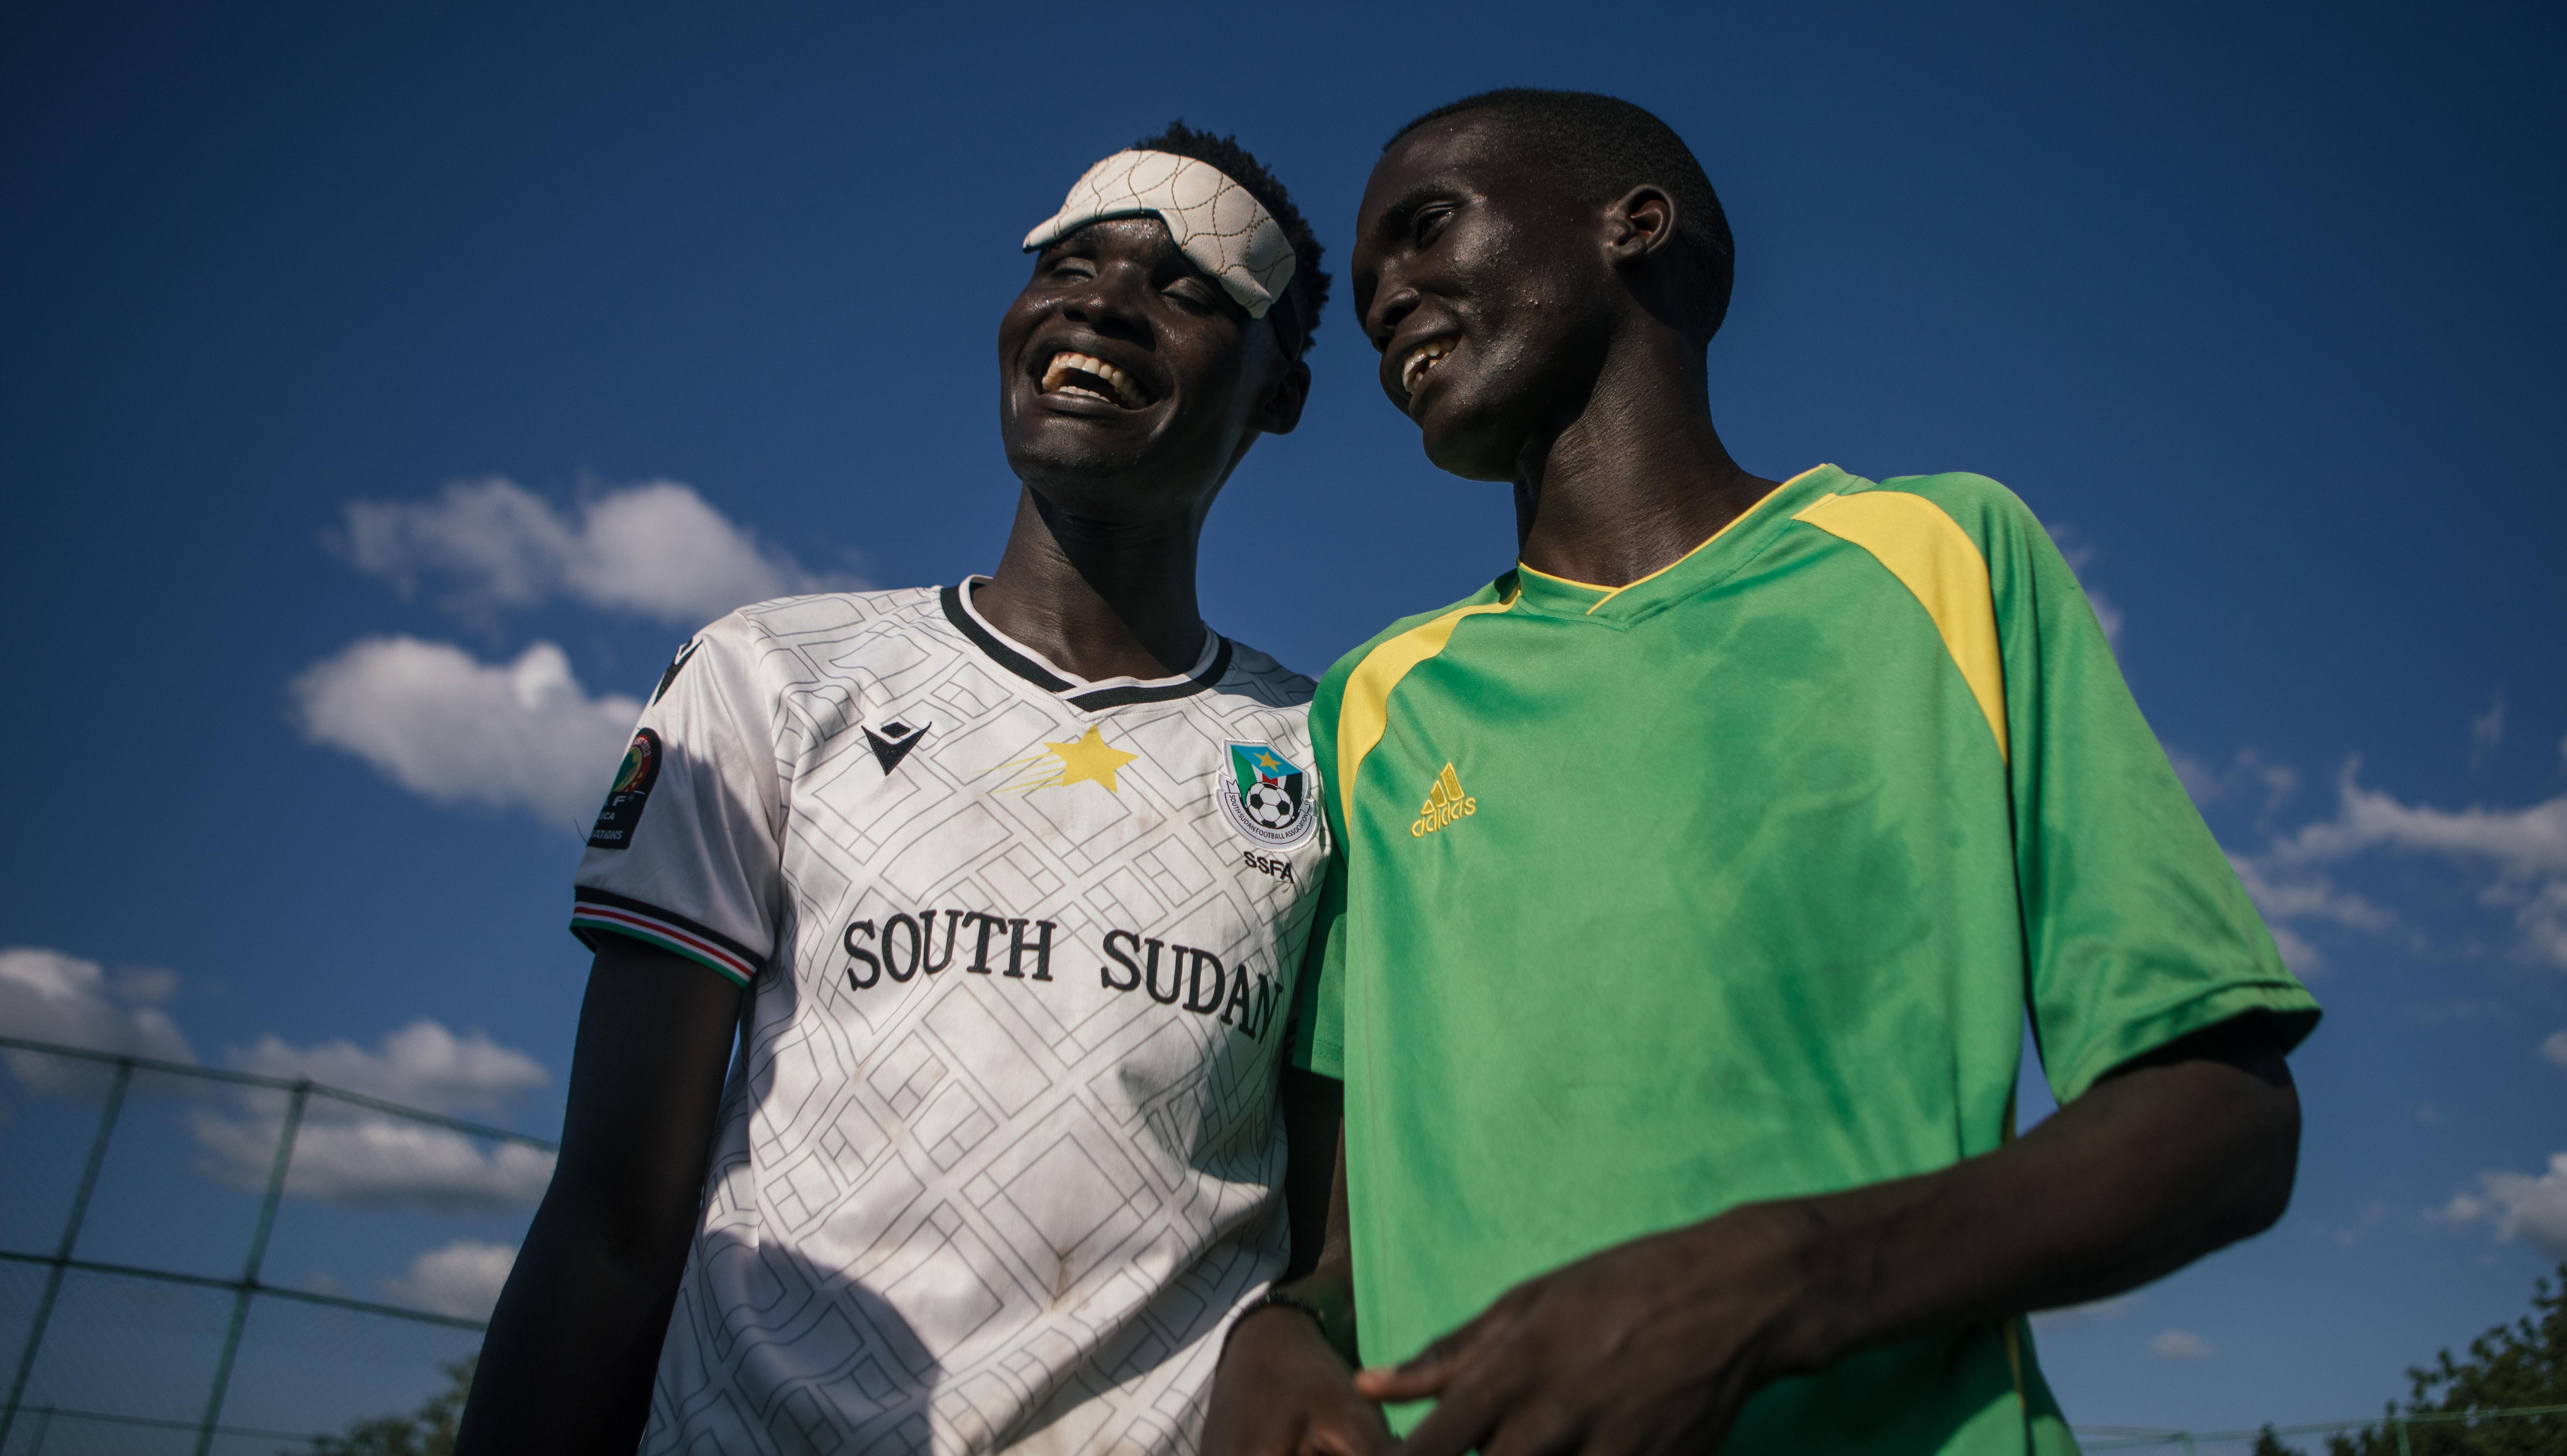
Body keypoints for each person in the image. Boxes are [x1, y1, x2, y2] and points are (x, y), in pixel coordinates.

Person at [1203, 90, 2320, 1456]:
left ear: (1636, 227)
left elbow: (2222, 1118)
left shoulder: (1942, 560)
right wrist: (1279, 1336)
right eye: (1370, 276)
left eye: (1426, 229)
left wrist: (1784, 1282)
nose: (1386, 294)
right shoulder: (1376, 708)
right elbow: (1354, 1252)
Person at [456, 124, 1346, 1456]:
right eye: (1071, 262)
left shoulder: (1323, 755)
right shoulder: (777, 675)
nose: (1102, 302)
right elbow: (613, 1216)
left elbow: (1328, 1253)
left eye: (1188, 289)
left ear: (1280, 393)